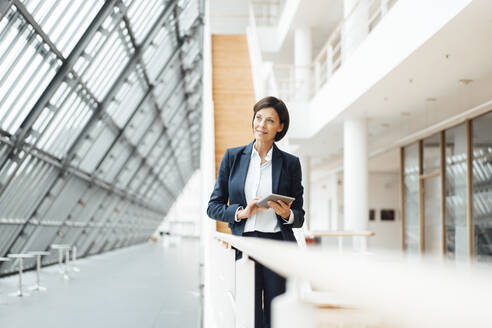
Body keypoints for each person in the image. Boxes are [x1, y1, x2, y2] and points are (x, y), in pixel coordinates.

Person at [207, 96, 305, 328]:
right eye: (258, 118)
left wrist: (286, 215)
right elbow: (213, 207)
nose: (261, 125)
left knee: (275, 314)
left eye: (270, 120)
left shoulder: (290, 163)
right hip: (245, 245)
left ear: (280, 127)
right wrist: (241, 212)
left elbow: (299, 215)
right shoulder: (232, 158)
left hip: (277, 246)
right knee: (249, 314)